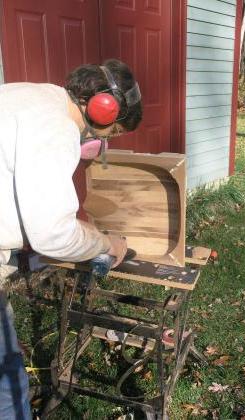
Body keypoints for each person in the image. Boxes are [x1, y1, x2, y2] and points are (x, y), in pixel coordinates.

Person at [0, 59, 142, 419]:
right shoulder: (57, 128)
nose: (98, 143)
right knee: (6, 381)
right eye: (108, 135)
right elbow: (53, 234)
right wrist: (107, 243)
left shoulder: (29, 95)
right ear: (102, 111)